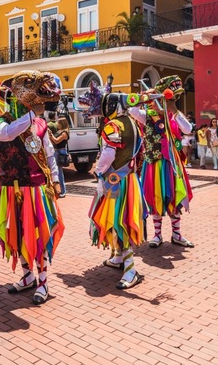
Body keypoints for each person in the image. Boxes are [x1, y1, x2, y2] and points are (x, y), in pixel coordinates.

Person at [0, 70, 64, 305]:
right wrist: (31, 116)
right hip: (11, 189)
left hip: (36, 189)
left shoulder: (40, 123)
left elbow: (49, 155)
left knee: (40, 236)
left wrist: (56, 181)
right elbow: (6, 135)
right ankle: (27, 275)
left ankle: (42, 281)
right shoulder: (0, 122)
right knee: (18, 234)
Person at [82, 86, 147, 289]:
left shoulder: (113, 126)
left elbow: (108, 154)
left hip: (115, 181)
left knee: (119, 221)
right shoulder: (135, 124)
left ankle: (130, 269)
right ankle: (118, 257)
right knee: (122, 218)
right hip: (130, 179)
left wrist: (98, 169)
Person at [130, 76, 194, 248]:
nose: (167, 102)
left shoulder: (174, 116)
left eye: (172, 99)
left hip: (172, 164)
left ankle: (176, 234)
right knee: (155, 197)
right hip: (154, 163)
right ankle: (157, 235)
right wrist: (144, 96)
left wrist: (173, 109)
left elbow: (188, 129)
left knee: (174, 198)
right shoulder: (147, 115)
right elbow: (131, 110)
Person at [48, 116, 70, 198]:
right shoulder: (60, 131)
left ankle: (63, 191)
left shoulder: (65, 133)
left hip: (60, 151)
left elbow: (57, 140)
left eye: (59, 123)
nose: (57, 124)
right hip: (57, 151)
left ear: (62, 124)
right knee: (57, 171)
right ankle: (60, 190)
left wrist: (50, 134)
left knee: (59, 172)